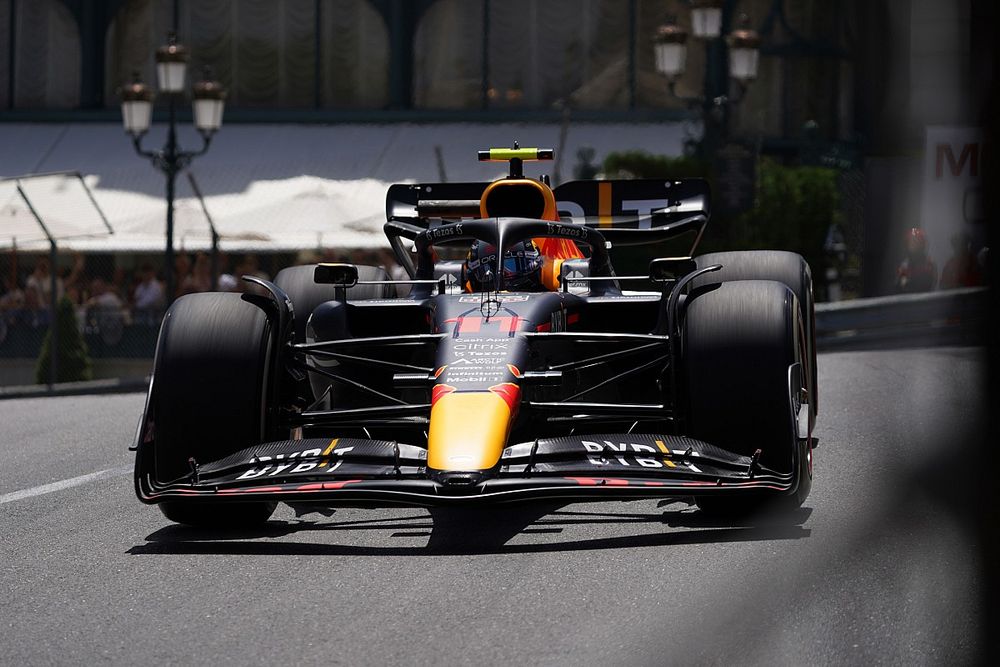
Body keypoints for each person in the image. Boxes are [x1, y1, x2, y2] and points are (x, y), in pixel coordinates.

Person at [895, 228, 937, 293]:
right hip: (908, 299)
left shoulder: (928, 263)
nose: (913, 245)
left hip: (925, 299)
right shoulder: (905, 265)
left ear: (922, 244)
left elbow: (929, 284)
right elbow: (902, 284)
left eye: (916, 242)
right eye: (911, 242)